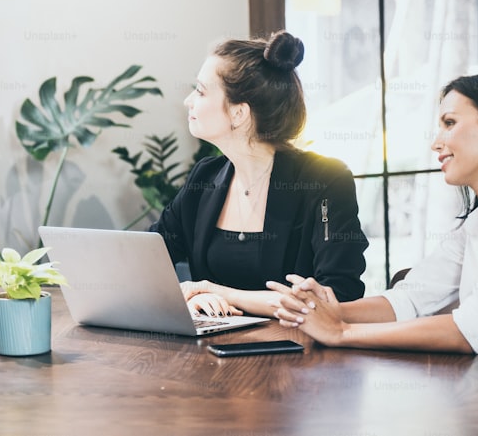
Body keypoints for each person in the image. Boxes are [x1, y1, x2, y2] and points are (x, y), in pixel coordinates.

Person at [270, 69, 478, 354]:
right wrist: (325, 311)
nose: (436, 143)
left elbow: (472, 327)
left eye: (450, 123)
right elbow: (409, 300)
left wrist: (341, 332)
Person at [150, 31, 368, 318]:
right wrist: (190, 300)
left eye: (201, 91)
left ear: (239, 113)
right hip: (213, 356)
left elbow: (336, 295)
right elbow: (149, 264)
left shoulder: (325, 180)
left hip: (301, 354)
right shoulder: (205, 177)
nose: (188, 101)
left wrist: (221, 293)